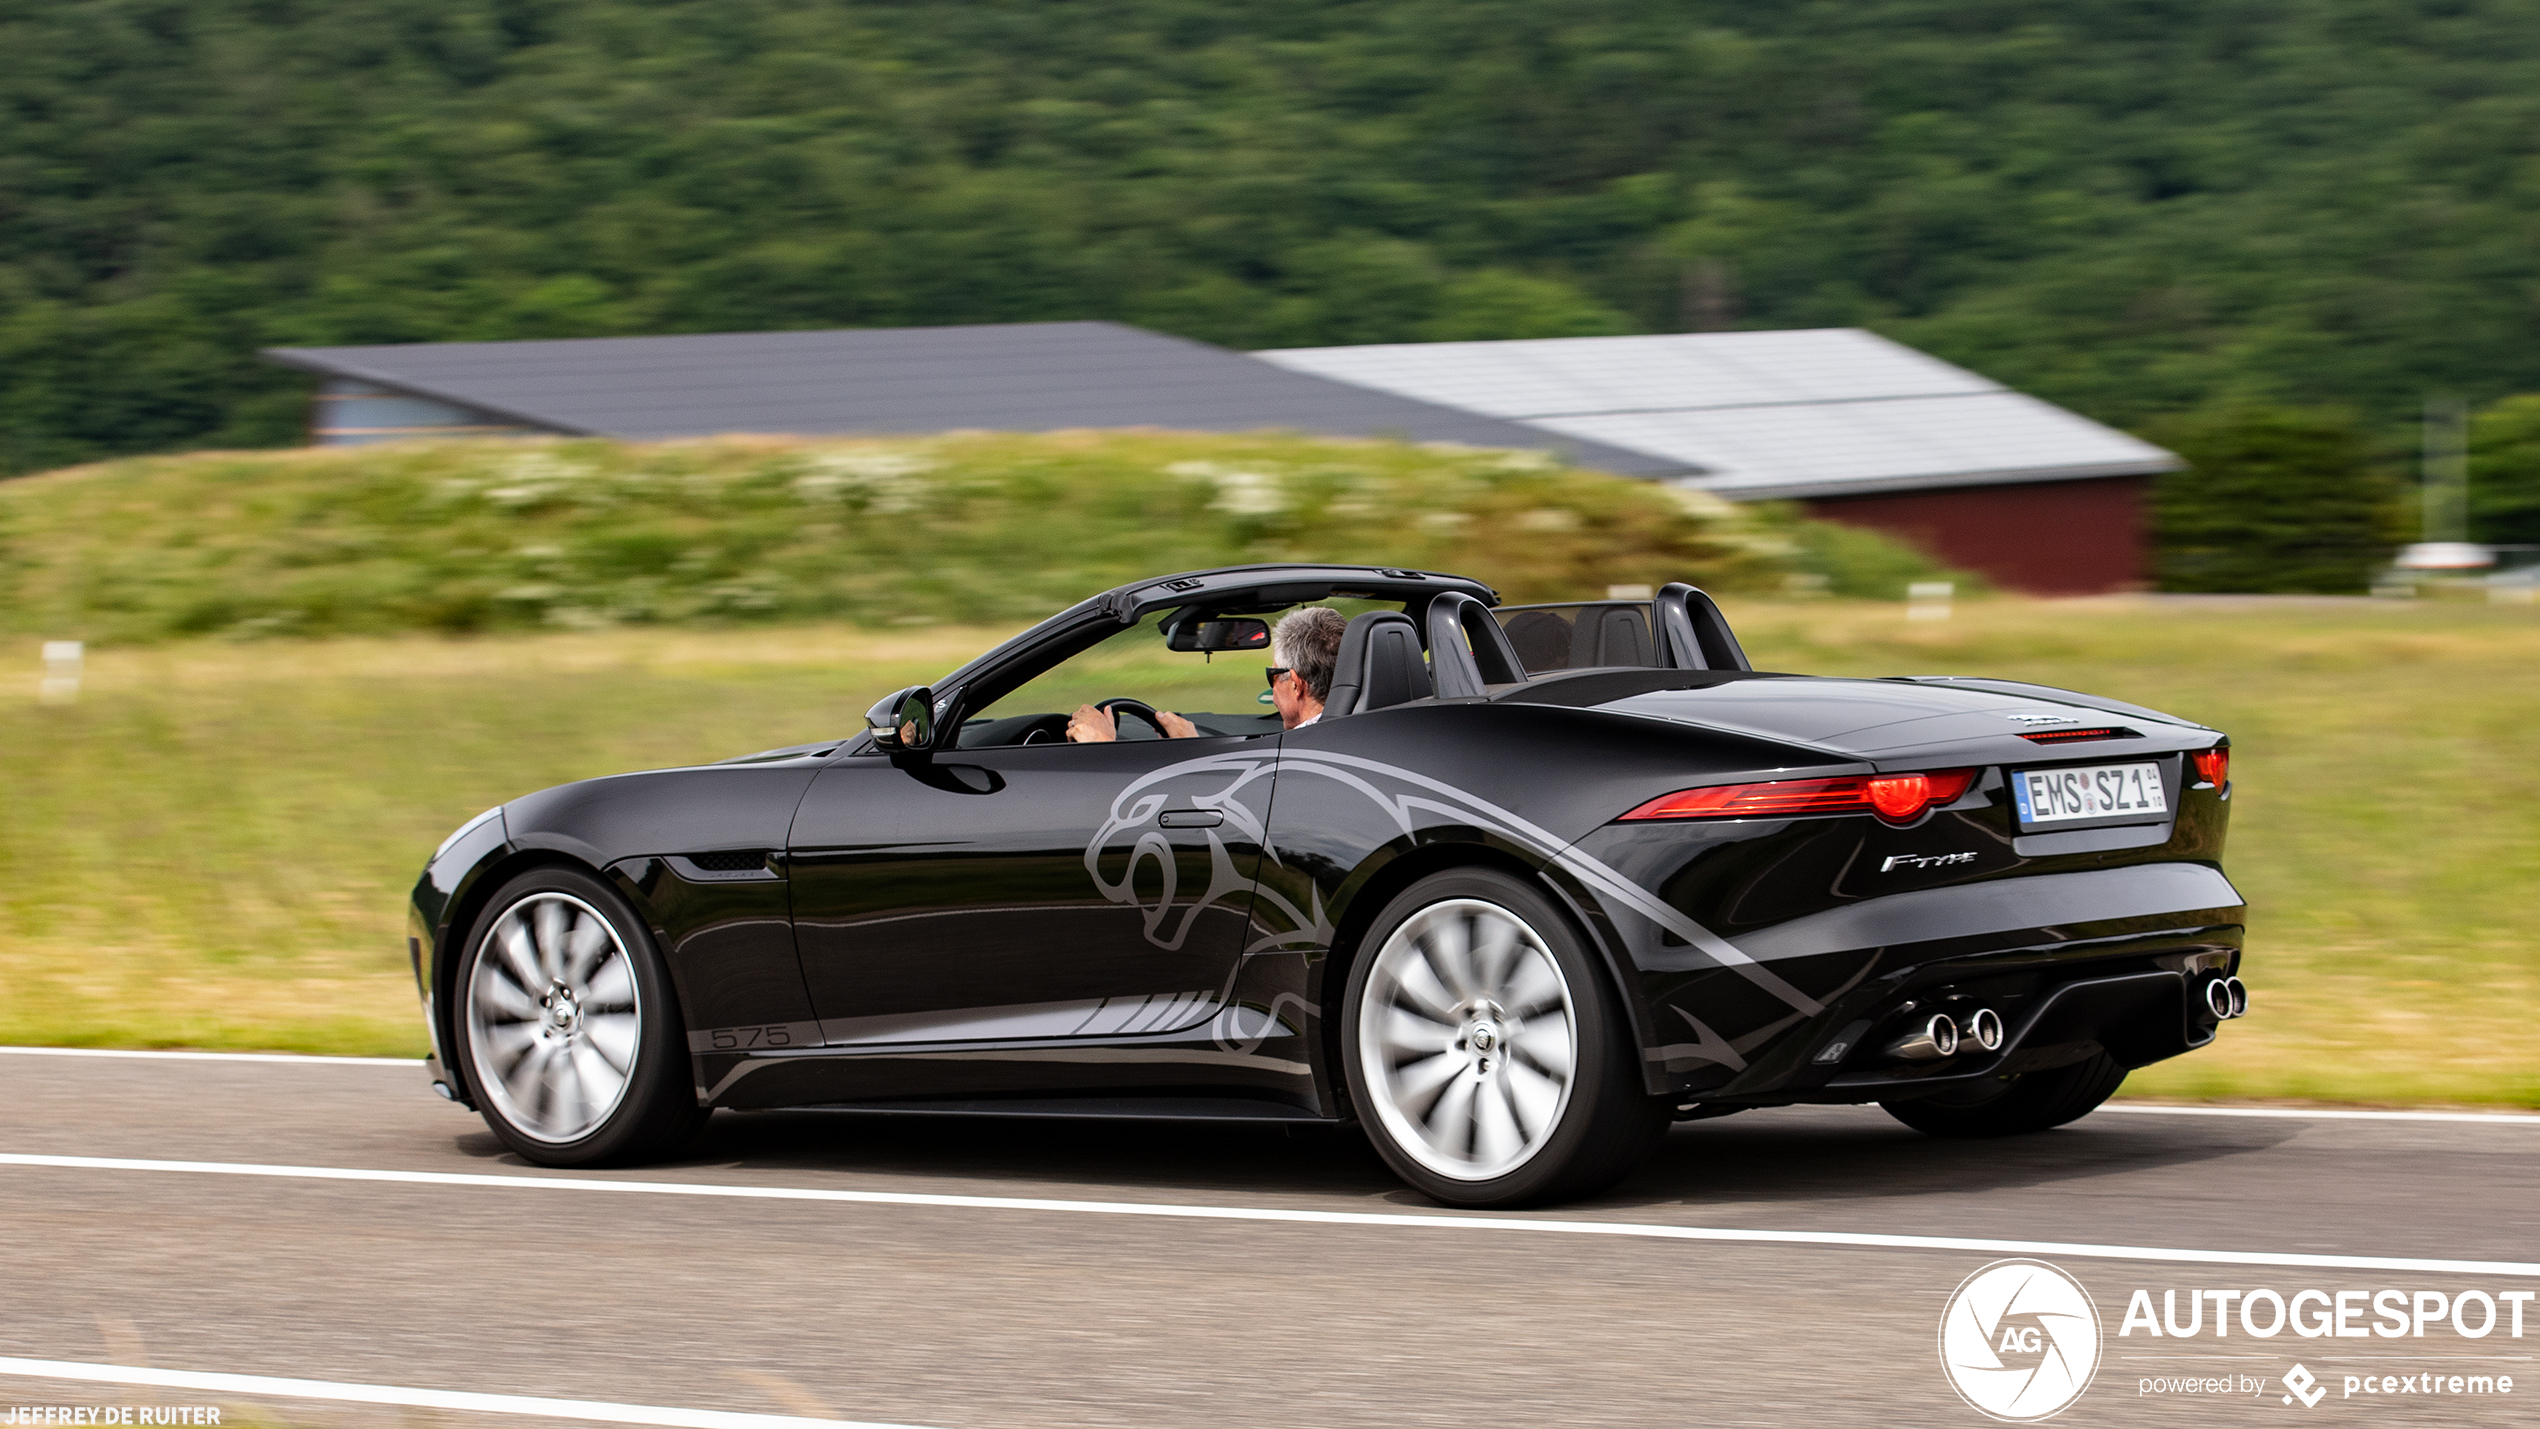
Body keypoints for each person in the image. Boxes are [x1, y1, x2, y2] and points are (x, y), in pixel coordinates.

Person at [1263, 605, 1346, 730]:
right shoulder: (1371, 727)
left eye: (1273, 676)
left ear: (1296, 684)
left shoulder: (1294, 747)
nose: (1273, 689)